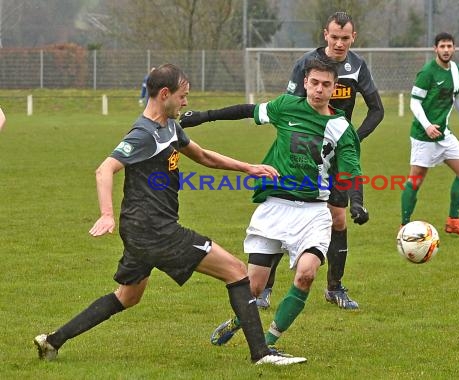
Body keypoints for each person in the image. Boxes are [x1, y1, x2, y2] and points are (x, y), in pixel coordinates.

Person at [33, 63, 306, 366]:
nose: (186, 102)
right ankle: (262, 354)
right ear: (165, 94)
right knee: (237, 271)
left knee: (127, 296)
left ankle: (52, 341)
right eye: (183, 96)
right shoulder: (143, 134)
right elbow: (105, 169)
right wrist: (106, 214)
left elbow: (203, 156)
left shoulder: (170, 127)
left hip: (141, 231)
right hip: (155, 230)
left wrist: (248, 167)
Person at [181, 11, 383, 311]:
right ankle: (265, 289)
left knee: (339, 219)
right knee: (282, 210)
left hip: (336, 150)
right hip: (299, 154)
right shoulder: (304, 69)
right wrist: (203, 117)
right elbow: (262, 110)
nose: (339, 43)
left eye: (345, 38)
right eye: (335, 36)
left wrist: (351, 140)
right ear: (325, 35)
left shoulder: (357, 68)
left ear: (353, 38)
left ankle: (335, 287)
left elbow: (376, 110)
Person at [181, 58, 368, 349]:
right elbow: (247, 111)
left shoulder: (341, 128)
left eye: (326, 84)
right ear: (305, 82)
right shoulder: (285, 106)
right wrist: (204, 116)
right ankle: (238, 321)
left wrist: (357, 202)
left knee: (306, 274)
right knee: (254, 287)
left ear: (335, 88)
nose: (319, 89)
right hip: (275, 206)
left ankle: (268, 341)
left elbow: (351, 171)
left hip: (314, 212)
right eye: (314, 82)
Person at [401, 32, 459, 236]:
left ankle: (453, 221)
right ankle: (404, 225)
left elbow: (458, 96)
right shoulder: (427, 72)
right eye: (442, 46)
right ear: (435, 49)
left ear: (454, 48)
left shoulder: (456, 70)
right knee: (416, 180)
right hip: (423, 136)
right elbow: (414, 102)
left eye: (449, 46)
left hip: (444, 134)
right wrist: (426, 125)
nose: (446, 50)